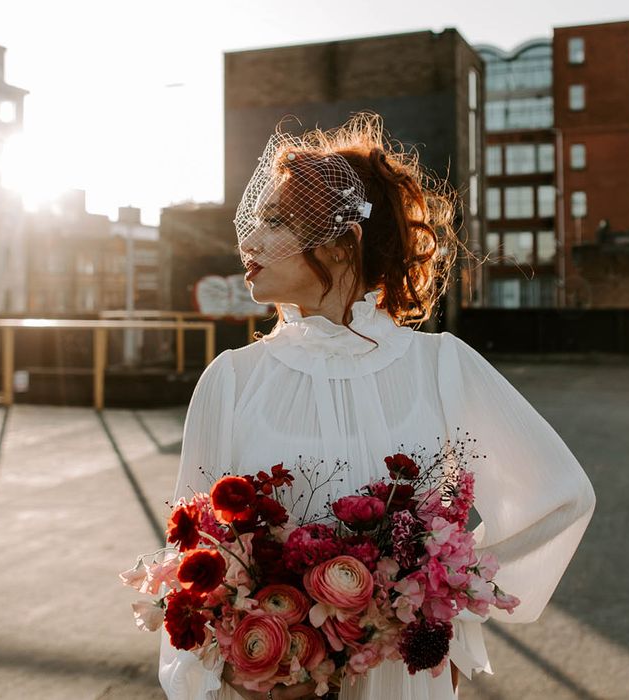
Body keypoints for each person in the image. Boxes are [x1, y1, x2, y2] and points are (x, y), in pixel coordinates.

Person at [158, 114, 596, 700]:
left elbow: (559, 497)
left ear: (342, 244)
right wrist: (224, 672)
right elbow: (196, 555)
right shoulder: (231, 380)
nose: (250, 242)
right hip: (275, 686)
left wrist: (451, 604)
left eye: (278, 222)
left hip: (405, 680)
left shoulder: (442, 365)